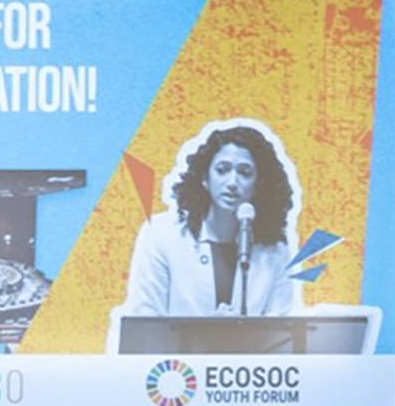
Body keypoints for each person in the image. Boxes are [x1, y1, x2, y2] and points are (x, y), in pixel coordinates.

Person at [108, 121, 305, 334]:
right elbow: (144, 325)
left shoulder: (275, 249)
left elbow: (280, 334)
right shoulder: (162, 235)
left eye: (245, 173)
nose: (232, 182)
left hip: (246, 366)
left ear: (258, 185)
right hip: (177, 366)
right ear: (204, 178)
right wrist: (205, 332)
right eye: (222, 170)